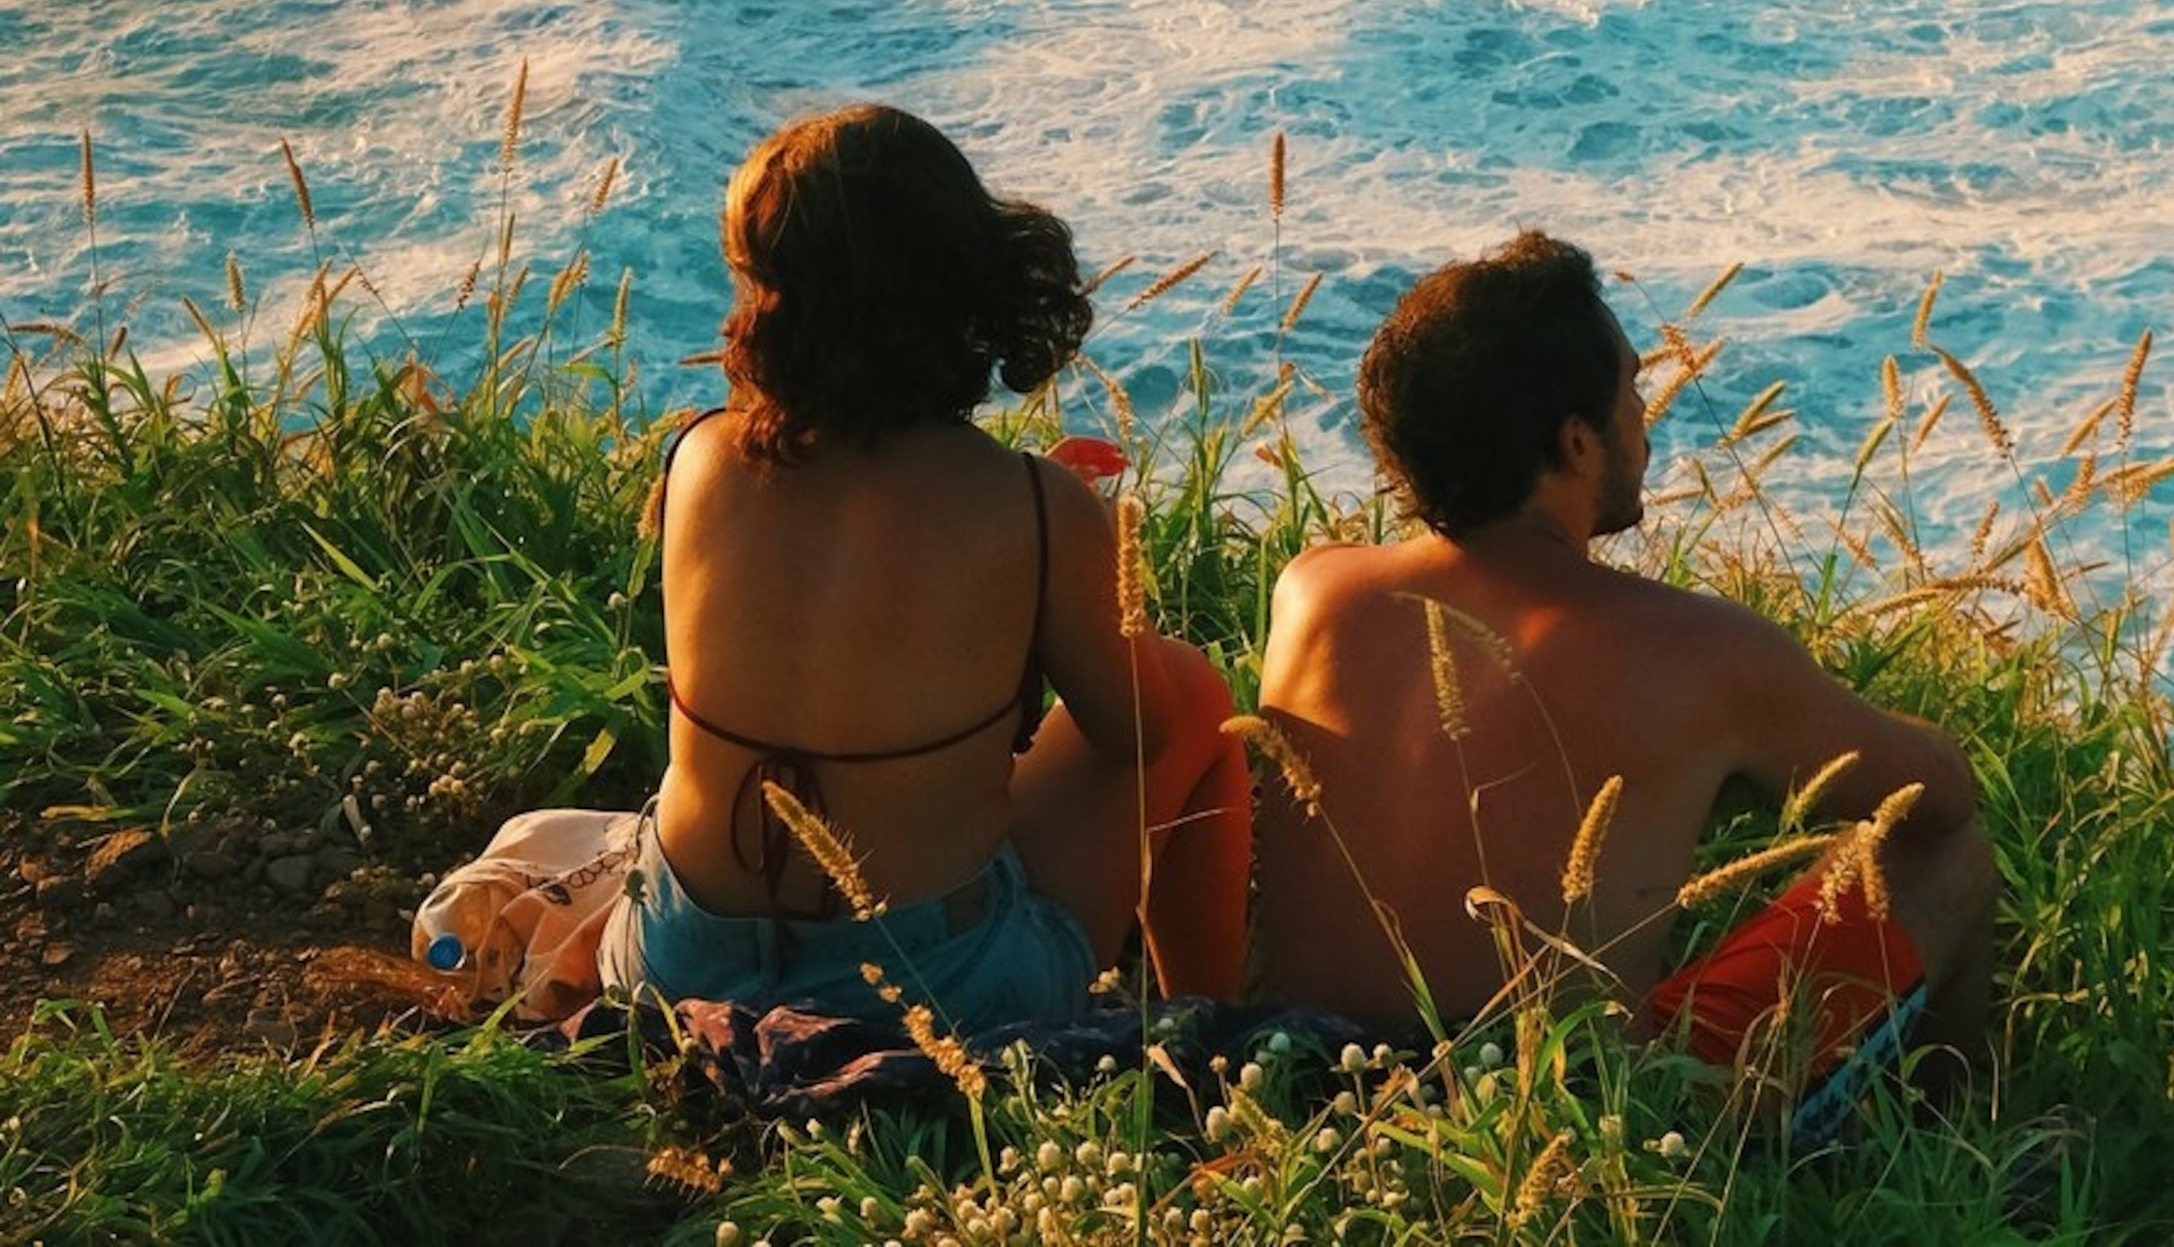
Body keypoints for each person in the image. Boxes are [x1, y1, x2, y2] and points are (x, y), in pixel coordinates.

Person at [1254, 231, 1995, 1121]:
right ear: (1575, 443)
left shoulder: (1316, 590)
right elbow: (1937, 798)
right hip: (1566, 1127)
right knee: (1941, 858)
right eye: (1634, 391)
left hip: (1291, 1093)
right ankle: (1944, 1145)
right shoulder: (1697, 649)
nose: (1646, 417)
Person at [601, 103, 1251, 1031]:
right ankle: (1210, 1024)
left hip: (671, 968)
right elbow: (1137, 734)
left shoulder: (700, 455)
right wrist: (1067, 548)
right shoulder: (1030, 506)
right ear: (963, 281)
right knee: (1192, 695)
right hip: (937, 998)